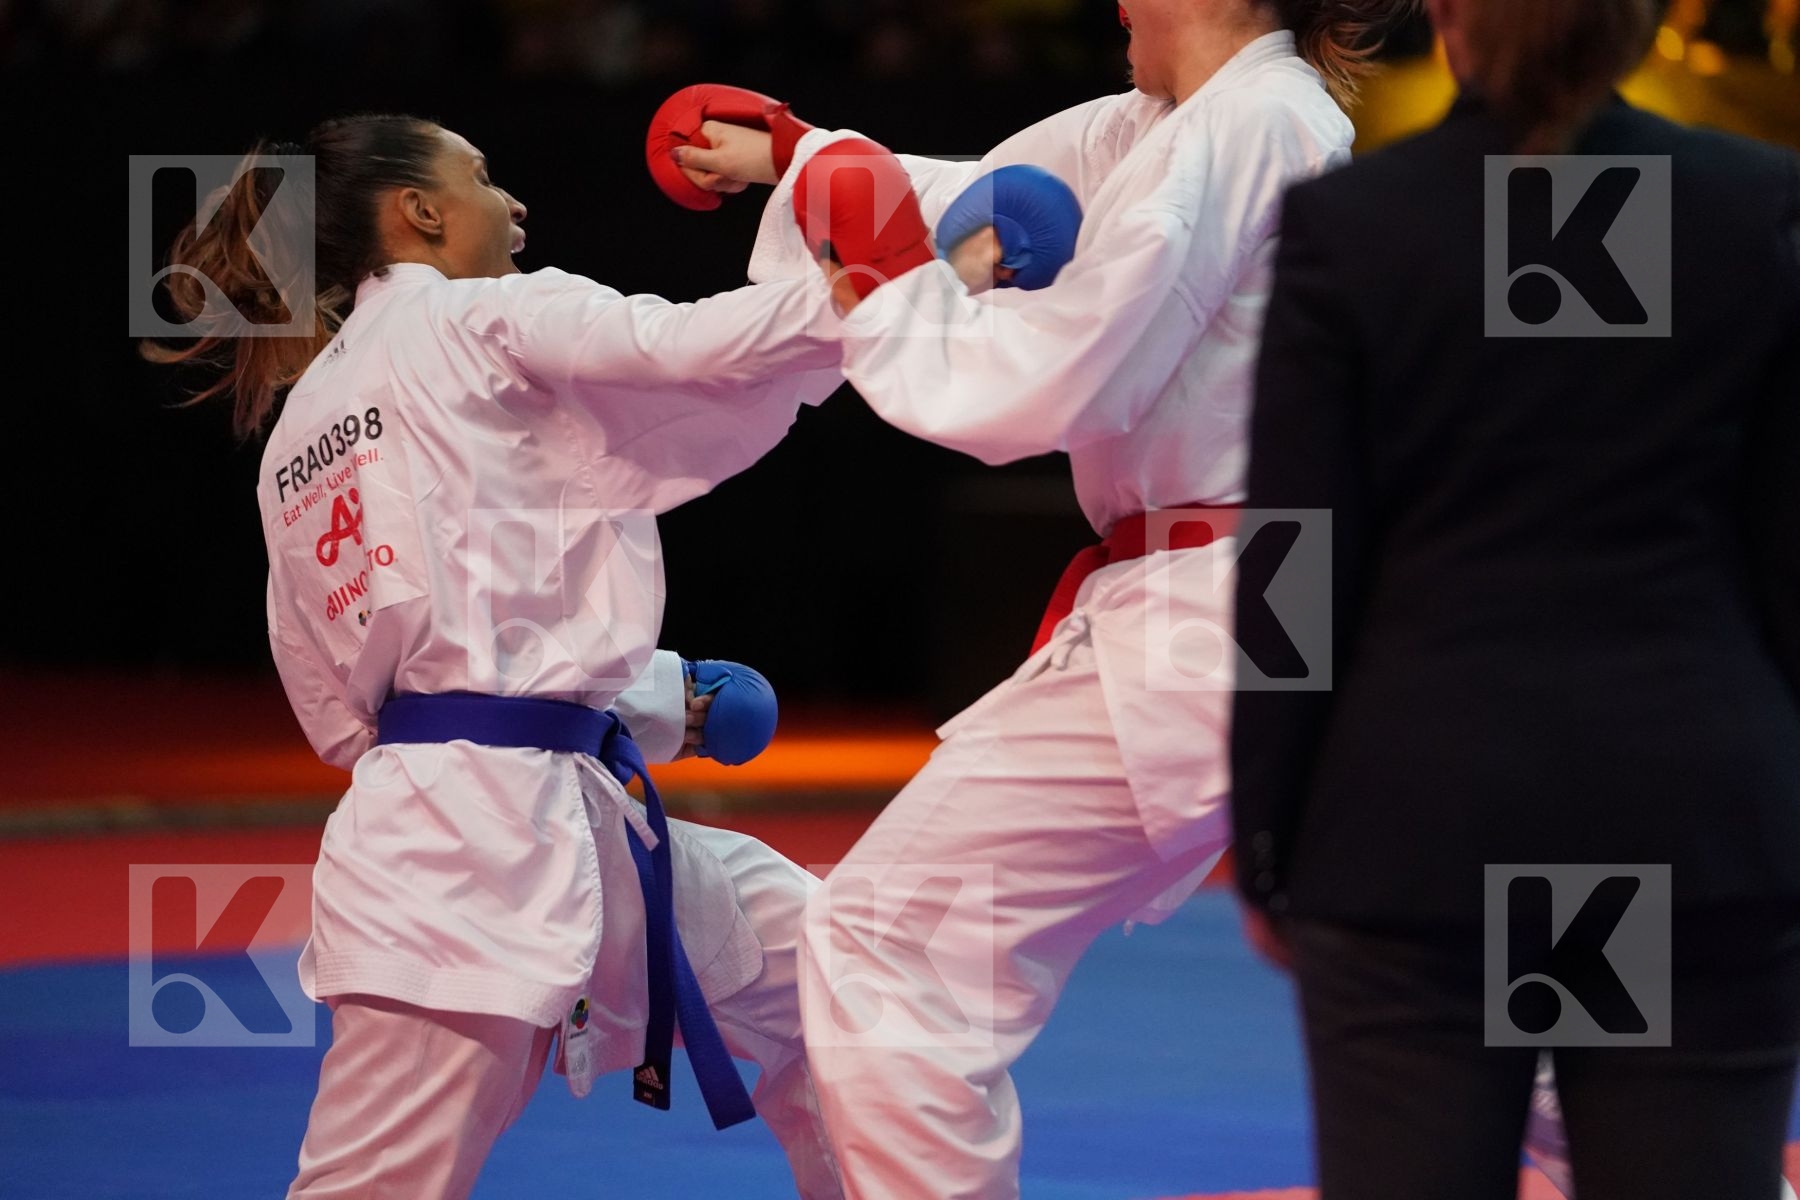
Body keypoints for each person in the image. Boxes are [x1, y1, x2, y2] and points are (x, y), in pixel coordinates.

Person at [655, 2, 1412, 1195]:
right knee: (1424, 967)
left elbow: (1063, 371)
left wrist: (882, 280)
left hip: (1220, 610)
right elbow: (986, 199)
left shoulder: (1253, 122)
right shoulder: (1179, 124)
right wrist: (802, 154)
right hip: (1264, 600)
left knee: (888, 946)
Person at [144, 113, 848, 1199]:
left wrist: (657, 701)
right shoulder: (484, 319)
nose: (511, 203)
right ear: (420, 211)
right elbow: (696, 352)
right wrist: (878, 278)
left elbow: (359, 699)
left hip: (482, 827)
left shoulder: (298, 435)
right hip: (463, 864)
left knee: (854, 988)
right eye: (480, 176)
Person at [1228, 0, 1800, 1196]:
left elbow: (1295, 564)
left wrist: (1271, 834)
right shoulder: (1755, 209)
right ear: (1643, 23)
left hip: (1418, 838)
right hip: (1687, 827)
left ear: (1449, 18)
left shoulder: (1357, 226)